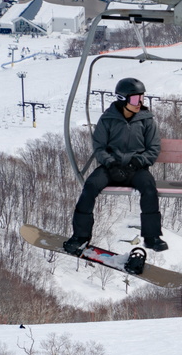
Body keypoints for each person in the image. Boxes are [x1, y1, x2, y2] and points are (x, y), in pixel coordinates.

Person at [65, 78, 165, 255]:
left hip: (136, 168)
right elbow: (99, 146)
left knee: (149, 189)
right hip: (111, 167)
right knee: (90, 187)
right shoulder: (108, 119)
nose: (139, 103)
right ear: (122, 98)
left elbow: (154, 148)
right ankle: (80, 236)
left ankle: (152, 236)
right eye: (135, 99)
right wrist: (110, 164)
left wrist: (136, 163)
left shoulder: (146, 120)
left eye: (141, 98)